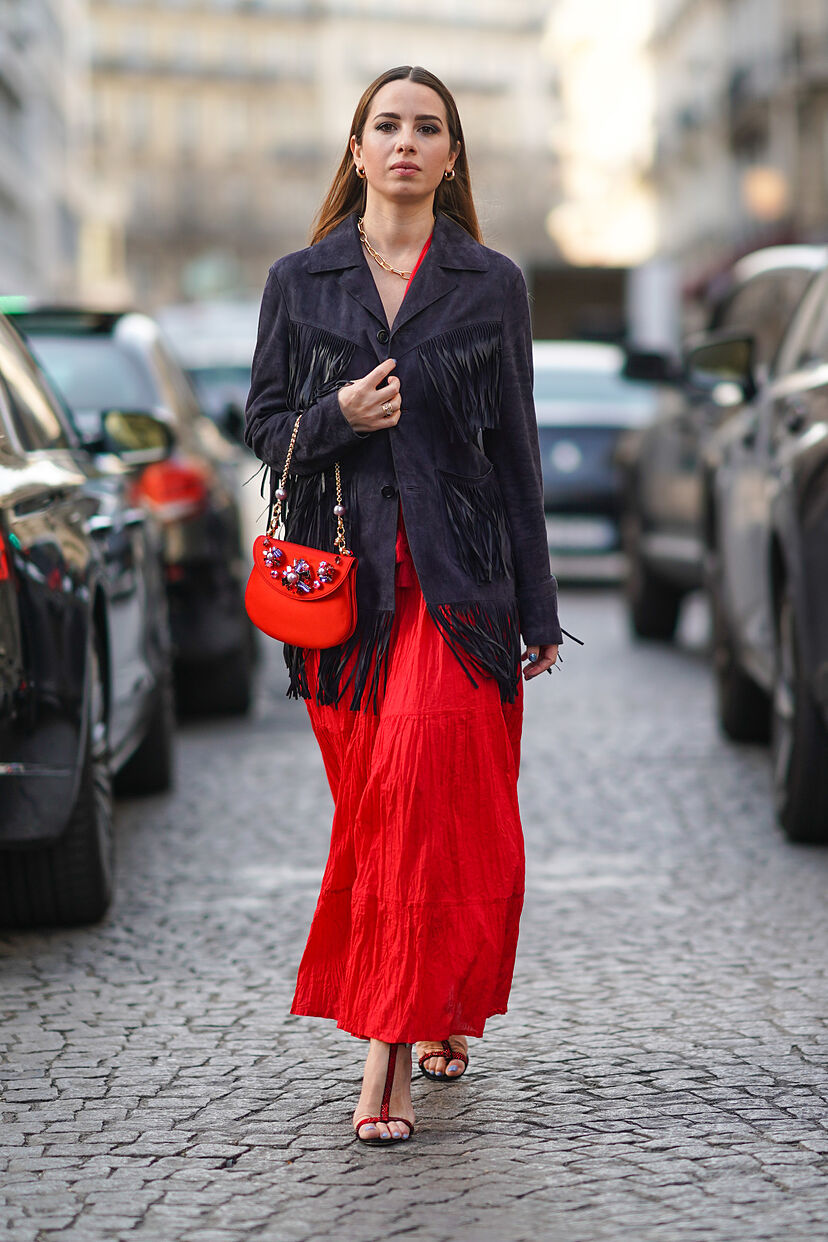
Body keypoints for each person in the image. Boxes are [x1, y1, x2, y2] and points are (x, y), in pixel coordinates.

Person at [245, 64, 571, 1146]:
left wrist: (536, 609)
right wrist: (336, 413)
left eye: (428, 127)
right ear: (356, 148)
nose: (406, 142)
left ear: (451, 155)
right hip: (344, 606)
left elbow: (516, 456)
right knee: (384, 815)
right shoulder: (302, 280)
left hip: (460, 590)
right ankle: (441, 1011)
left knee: (426, 795)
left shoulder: (492, 284)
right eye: (386, 124)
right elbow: (263, 428)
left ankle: (385, 1049)